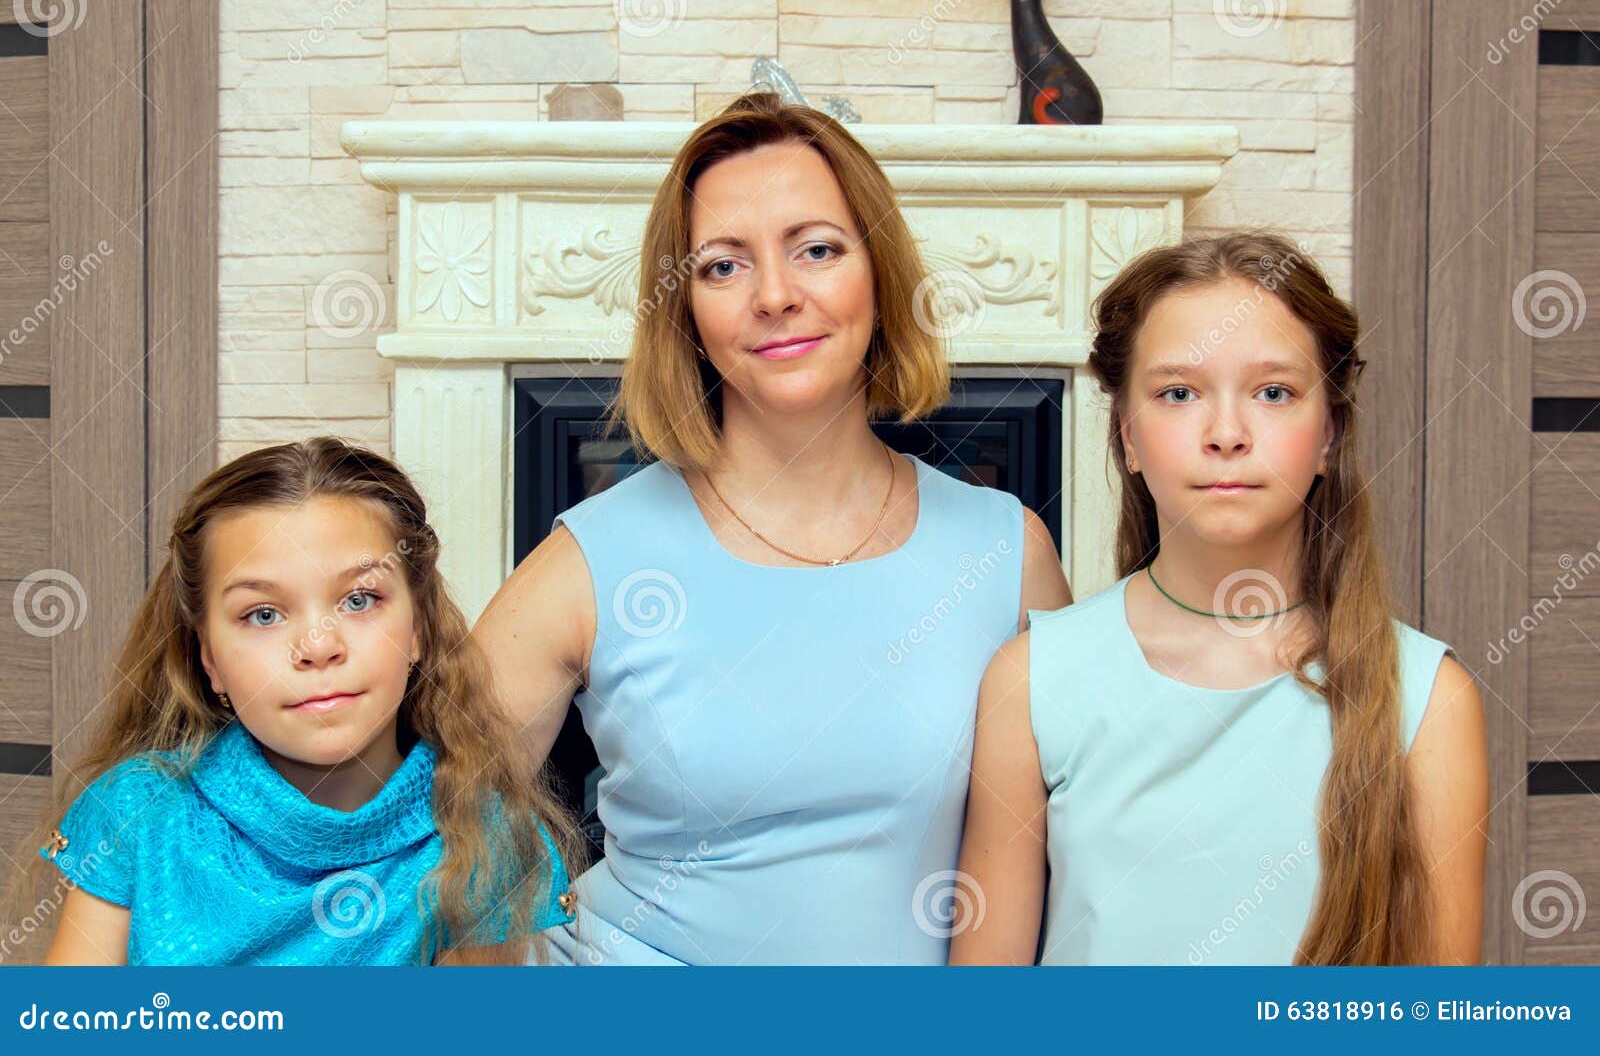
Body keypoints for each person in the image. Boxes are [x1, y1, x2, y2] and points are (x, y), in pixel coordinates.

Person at [474, 92, 1073, 964]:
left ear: (880, 274)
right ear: (685, 311)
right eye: (722, 266)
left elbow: (1064, 853)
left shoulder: (1007, 551)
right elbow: (430, 812)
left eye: (818, 250)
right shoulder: (592, 555)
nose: (776, 296)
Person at [949, 231, 1489, 965]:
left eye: (1273, 392)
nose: (1227, 433)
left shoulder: (1430, 698)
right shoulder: (1031, 681)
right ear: (1129, 436)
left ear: (1328, 432)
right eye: (1179, 393)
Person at [5, 438, 582, 965]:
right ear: (209, 659)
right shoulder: (137, 812)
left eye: (359, 600)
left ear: (418, 631)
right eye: (263, 614)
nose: (317, 646)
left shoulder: (483, 833)